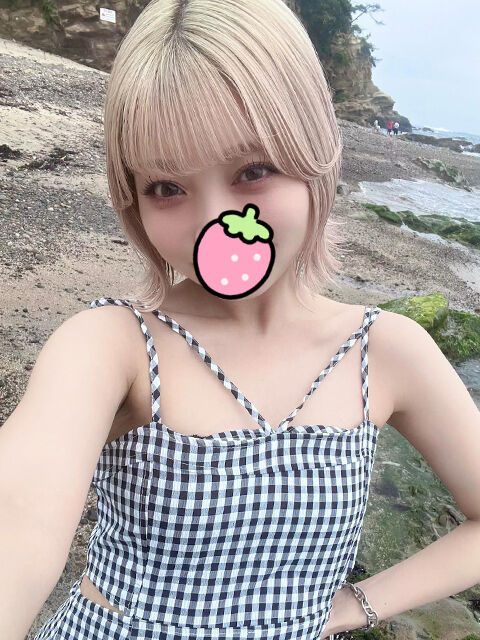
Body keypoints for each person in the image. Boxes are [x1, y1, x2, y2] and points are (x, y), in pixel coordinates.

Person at [3, 1, 478, 640]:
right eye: (167, 187)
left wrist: (354, 606)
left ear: (317, 156)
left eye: (253, 171)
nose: (217, 223)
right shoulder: (112, 344)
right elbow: (19, 513)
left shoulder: (387, 350)